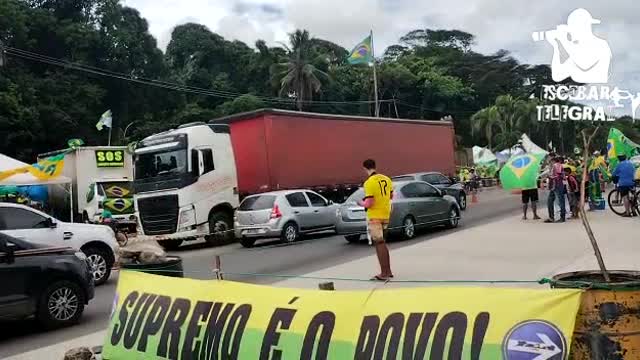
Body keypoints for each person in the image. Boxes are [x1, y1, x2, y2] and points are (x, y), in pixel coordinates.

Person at [358, 159, 394, 281]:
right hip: (385, 214)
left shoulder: (369, 182)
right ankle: (388, 271)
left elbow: (369, 202)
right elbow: (391, 196)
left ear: (365, 168)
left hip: (375, 216)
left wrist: (360, 203)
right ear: (375, 166)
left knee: (379, 243)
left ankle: (384, 273)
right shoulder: (386, 179)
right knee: (383, 242)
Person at [545, 156, 567, 223]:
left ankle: (561, 217)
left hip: (557, 185)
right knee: (551, 200)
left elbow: (559, 176)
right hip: (554, 186)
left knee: (560, 201)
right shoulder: (556, 166)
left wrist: (550, 177)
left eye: (550, 161)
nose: (549, 163)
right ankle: (552, 217)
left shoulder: (556, 165)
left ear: (553, 160)